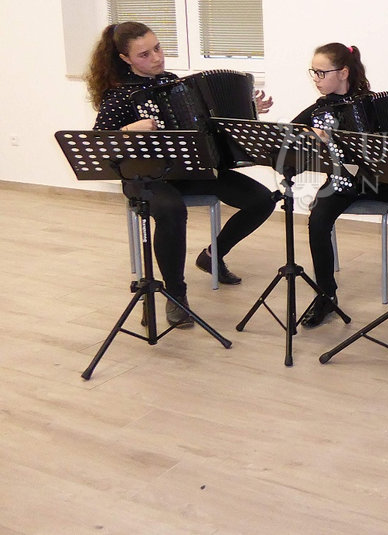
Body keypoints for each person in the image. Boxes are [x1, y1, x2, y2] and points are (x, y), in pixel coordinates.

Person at [87, 21, 276, 327]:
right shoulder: (118, 96)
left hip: (186, 170)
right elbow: (101, 144)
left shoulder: (174, 84)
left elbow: (207, 123)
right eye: (144, 55)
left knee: (262, 200)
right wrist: (130, 129)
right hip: (144, 177)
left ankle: (213, 255)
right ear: (125, 59)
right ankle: (176, 295)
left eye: (157, 48)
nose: (157, 58)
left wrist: (249, 108)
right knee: (172, 210)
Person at [291, 42, 388, 327]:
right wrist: (310, 134)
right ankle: (326, 295)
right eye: (313, 72)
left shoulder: (372, 104)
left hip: (380, 181)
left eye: (321, 73)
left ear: (343, 73)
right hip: (341, 182)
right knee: (318, 220)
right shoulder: (320, 109)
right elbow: (290, 133)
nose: (316, 79)